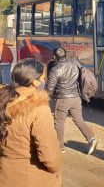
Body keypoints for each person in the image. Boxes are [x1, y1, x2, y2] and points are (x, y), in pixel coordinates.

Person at [0, 59, 63, 187]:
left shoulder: (4, 101)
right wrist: (58, 166)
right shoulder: (39, 107)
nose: (44, 82)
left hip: (6, 175)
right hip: (33, 178)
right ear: (34, 82)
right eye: (42, 78)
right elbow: (51, 158)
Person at [47, 47, 98, 155]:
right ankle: (91, 138)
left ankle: (60, 147)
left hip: (63, 99)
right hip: (76, 97)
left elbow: (50, 89)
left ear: (54, 57)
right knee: (79, 120)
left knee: (59, 123)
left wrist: (45, 98)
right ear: (65, 54)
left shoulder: (55, 69)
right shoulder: (74, 63)